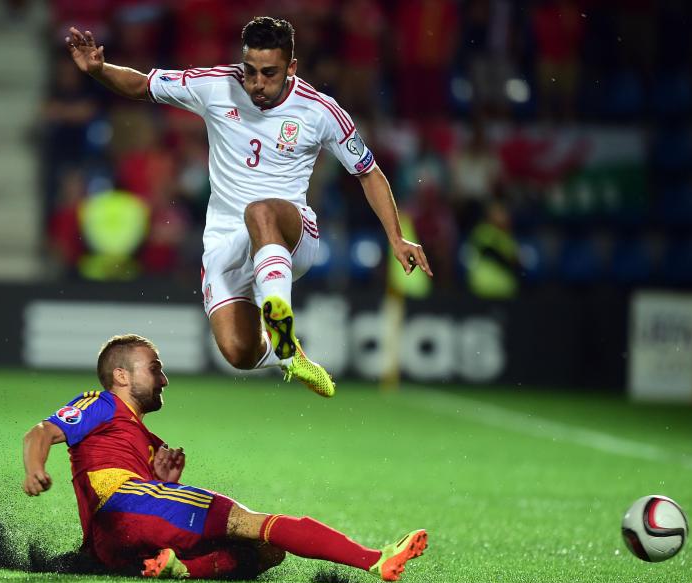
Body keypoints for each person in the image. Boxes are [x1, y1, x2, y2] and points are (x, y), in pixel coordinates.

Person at [65, 17, 433, 398]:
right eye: (251, 71)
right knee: (238, 352)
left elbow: (369, 172)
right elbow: (143, 85)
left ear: (291, 67)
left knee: (260, 211)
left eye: (269, 73)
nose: (256, 83)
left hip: (291, 233)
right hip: (225, 239)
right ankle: (286, 350)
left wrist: (396, 236)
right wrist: (99, 70)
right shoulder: (215, 85)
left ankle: (280, 321)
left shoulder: (320, 111)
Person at [22, 334, 428, 581]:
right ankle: (375, 559)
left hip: (110, 546)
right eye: (154, 368)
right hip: (123, 508)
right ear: (122, 376)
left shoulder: (143, 437)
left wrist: (165, 484)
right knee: (255, 525)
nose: (163, 379)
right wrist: (35, 468)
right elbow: (41, 431)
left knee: (268, 553)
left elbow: (148, 509)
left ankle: (180, 569)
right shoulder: (103, 403)